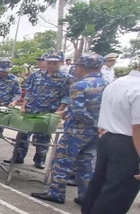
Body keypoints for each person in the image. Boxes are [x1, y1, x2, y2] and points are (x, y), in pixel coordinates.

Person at [31, 54, 107, 205]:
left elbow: (79, 112)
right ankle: (86, 196)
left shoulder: (80, 85)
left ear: (81, 67)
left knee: (62, 161)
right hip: (97, 133)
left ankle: (56, 193)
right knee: (86, 164)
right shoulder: (108, 84)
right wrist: (99, 125)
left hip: (77, 131)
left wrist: (92, 123)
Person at [80, 59, 140, 214]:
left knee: (99, 183)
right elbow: (138, 128)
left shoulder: (116, 83)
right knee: (119, 191)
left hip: (108, 137)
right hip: (129, 143)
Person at [9, 51, 72, 169]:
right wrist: (23, 106)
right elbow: (29, 92)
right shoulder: (36, 75)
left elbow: (65, 97)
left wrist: (59, 112)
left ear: (61, 63)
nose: (51, 65)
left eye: (55, 63)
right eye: (49, 62)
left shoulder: (66, 78)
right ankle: (18, 156)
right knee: (23, 135)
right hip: (31, 110)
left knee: (43, 138)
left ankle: (39, 160)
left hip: (49, 112)